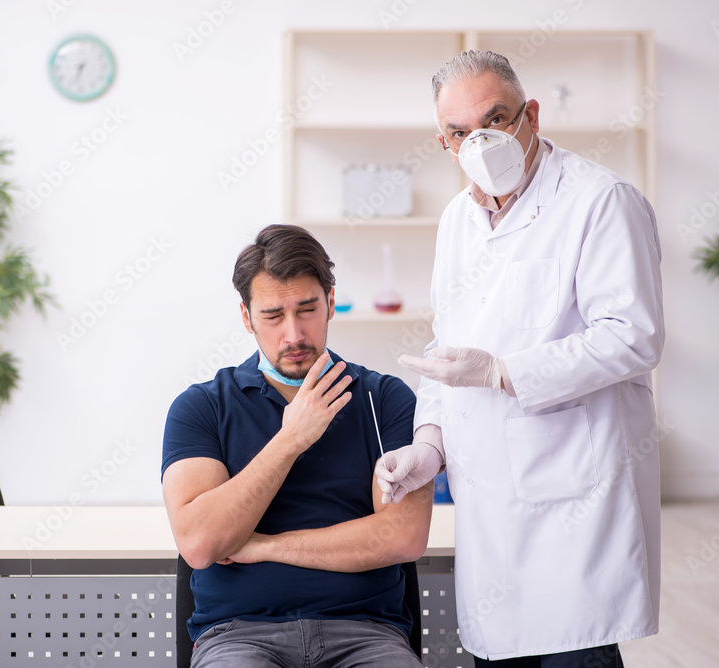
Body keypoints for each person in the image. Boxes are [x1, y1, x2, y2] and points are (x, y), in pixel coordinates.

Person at [375, 50, 665, 667]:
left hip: (577, 507)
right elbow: (446, 350)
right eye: (460, 132)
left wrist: (504, 373)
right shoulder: (456, 220)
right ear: (444, 143)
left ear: (530, 116)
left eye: (496, 119)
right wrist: (428, 445)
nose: (479, 143)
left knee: (574, 650)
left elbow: (633, 336)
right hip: (490, 517)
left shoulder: (599, 200)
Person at [161, 224, 432, 668]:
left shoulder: (384, 399)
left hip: (367, 634)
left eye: (307, 309)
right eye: (272, 316)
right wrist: (290, 440)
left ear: (330, 302)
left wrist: (265, 546)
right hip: (238, 637)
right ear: (247, 317)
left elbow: (403, 536)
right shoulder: (201, 407)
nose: (294, 335)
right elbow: (201, 542)